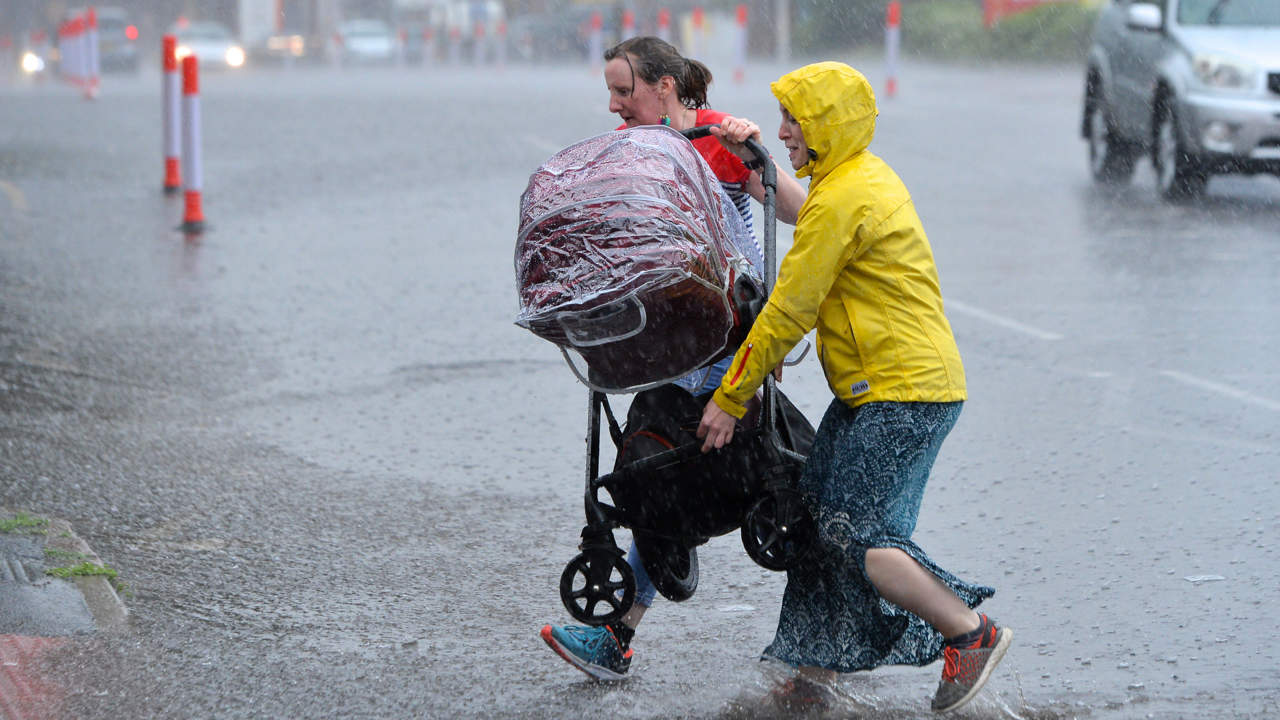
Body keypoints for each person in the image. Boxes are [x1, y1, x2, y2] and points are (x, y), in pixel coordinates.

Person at [695, 62, 1013, 714]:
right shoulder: (853, 178)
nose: (784, 132)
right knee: (820, 526)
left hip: (903, 394)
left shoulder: (843, 198)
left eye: (795, 122)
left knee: (861, 537)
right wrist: (748, 154)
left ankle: (969, 633)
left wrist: (730, 398)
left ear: (827, 127)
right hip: (882, 390)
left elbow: (789, 309)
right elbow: (801, 229)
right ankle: (816, 679)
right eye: (781, 121)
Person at [538, 36, 807, 682]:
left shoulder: (717, 141)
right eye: (609, 91)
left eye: (623, 90)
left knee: (787, 482)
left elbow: (800, 210)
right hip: (664, 350)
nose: (612, 104)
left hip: (727, 348)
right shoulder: (627, 156)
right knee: (657, 480)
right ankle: (617, 634)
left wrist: (758, 160)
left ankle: (846, 631)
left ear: (664, 87)